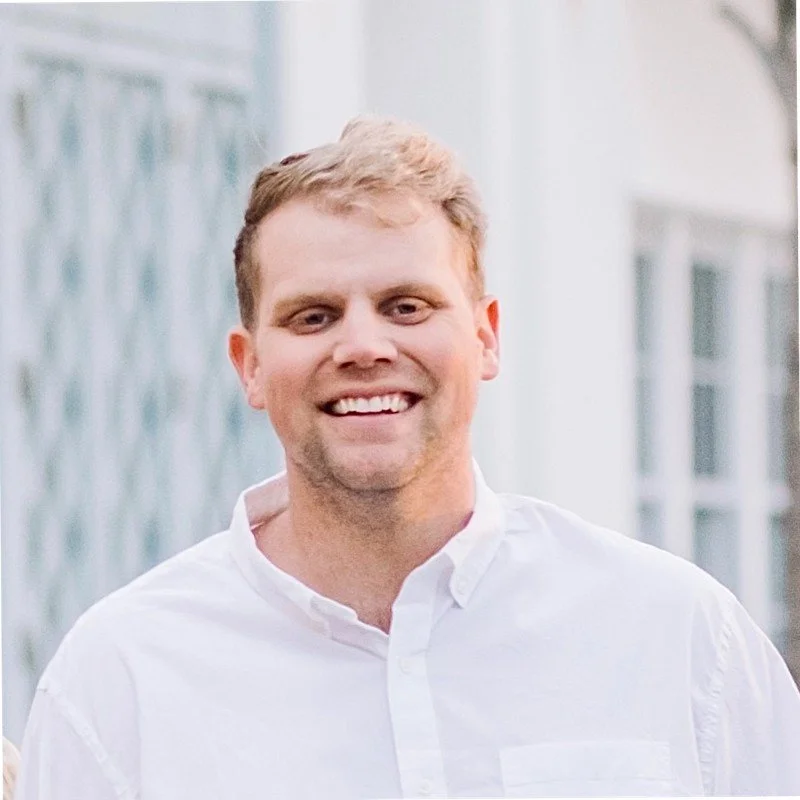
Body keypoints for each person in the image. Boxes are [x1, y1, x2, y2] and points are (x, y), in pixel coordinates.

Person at [15, 116, 800, 799]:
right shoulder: (121, 680)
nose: (363, 346)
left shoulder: (678, 639)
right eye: (313, 316)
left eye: (407, 307)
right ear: (249, 366)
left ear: (485, 336)